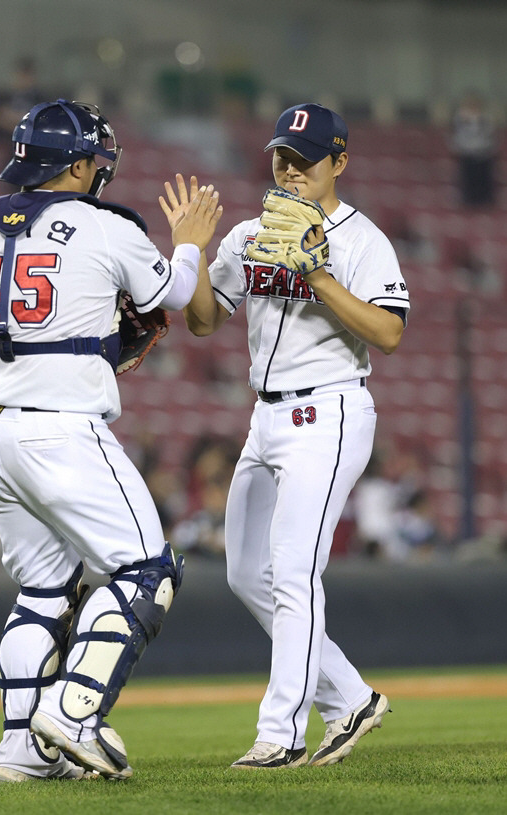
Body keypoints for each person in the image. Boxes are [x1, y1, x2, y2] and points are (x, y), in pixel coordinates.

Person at [0, 99, 222, 783]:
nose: (102, 170)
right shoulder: (100, 224)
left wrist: (45, 341)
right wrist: (191, 240)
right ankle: (75, 710)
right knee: (148, 568)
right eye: (97, 160)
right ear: (80, 164)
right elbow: (175, 295)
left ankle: (21, 752)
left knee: (42, 588)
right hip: (60, 425)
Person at [160, 102, 410, 768]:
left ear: (340, 162)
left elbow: (388, 333)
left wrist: (318, 276)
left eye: (305, 159)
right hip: (265, 418)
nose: (290, 169)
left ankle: (281, 733)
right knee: (247, 572)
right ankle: (350, 697)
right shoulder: (251, 235)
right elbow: (206, 322)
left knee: (294, 571)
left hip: (329, 413)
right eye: (282, 156)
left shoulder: (360, 240)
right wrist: (196, 248)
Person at [450, 91, 499, 208]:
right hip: (467, 153)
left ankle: (485, 200)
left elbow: (489, 134)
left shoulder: (486, 118)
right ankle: (469, 200)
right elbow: (457, 135)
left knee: (483, 179)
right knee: (469, 179)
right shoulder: (459, 118)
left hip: (483, 154)